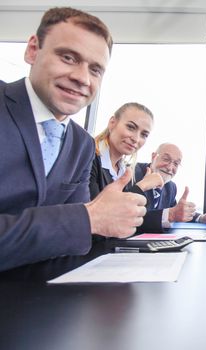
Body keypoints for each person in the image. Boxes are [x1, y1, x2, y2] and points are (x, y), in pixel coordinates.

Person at [0, 7, 147, 271]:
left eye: (95, 70)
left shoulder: (81, 143)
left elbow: (77, 243)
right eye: (68, 58)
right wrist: (88, 217)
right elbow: (84, 224)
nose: (82, 78)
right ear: (33, 50)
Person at [134, 142, 206, 232]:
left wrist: (201, 218)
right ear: (153, 157)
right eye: (166, 159)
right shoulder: (132, 174)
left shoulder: (171, 187)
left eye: (176, 164)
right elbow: (129, 215)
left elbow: (177, 211)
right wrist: (171, 215)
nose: (170, 168)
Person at [89, 102, 163, 199]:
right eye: (131, 127)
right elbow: (97, 209)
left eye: (144, 135)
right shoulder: (88, 157)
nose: (136, 139)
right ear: (112, 123)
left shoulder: (124, 170)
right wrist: (142, 186)